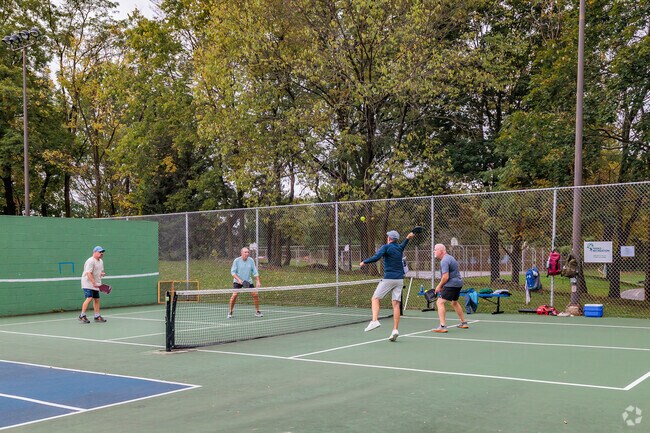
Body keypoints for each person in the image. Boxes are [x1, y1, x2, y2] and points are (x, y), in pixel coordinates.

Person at [360, 230, 414, 342]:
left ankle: (374, 321)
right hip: (399, 280)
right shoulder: (399, 248)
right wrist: (408, 238)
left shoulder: (386, 247)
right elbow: (404, 244)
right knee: (396, 305)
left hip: (389, 278)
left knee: (375, 298)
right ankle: (395, 330)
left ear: (389, 238)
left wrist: (364, 262)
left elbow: (376, 257)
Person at [432, 243, 468, 332]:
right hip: (458, 283)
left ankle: (443, 326)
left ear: (441, 251)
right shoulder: (450, 258)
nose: (434, 251)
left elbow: (445, 277)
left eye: (435, 250)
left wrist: (439, 286)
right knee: (454, 302)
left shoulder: (444, 261)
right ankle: (464, 323)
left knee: (440, 302)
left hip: (452, 284)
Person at [228, 247, 263, 318]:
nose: (247, 253)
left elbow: (255, 272)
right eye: (245, 252)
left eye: (248, 252)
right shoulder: (236, 261)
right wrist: (239, 280)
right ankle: (230, 311)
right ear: (241, 253)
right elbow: (233, 272)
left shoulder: (251, 260)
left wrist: (258, 281)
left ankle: (257, 311)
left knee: (255, 295)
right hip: (237, 281)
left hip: (248, 281)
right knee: (234, 295)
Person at [79, 246, 107, 323]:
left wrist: (102, 273)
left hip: (96, 283)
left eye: (102, 252)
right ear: (94, 252)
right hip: (87, 282)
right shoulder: (90, 261)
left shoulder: (101, 261)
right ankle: (82, 315)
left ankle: (97, 316)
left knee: (97, 299)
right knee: (89, 297)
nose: (101, 253)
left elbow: (100, 271)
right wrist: (93, 282)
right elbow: (88, 273)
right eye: (99, 252)